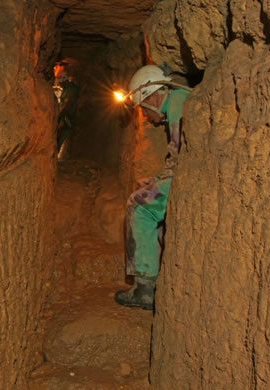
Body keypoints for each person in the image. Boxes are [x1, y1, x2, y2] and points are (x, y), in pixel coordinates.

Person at [114, 64, 191, 310]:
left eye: (143, 108)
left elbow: (180, 153)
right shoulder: (178, 103)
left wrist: (159, 181)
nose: (145, 116)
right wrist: (156, 180)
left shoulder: (178, 99)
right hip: (187, 179)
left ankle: (145, 288)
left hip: (189, 181)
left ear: (154, 95)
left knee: (139, 206)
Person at [55, 72, 79, 153]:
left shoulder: (72, 89)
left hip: (67, 116)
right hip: (66, 115)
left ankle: (56, 152)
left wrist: (58, 116)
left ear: (64, 81)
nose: (60, 85)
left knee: (61, 134)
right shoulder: (67, 88)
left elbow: (66, 104)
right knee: (59, 135)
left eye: (61, 83)